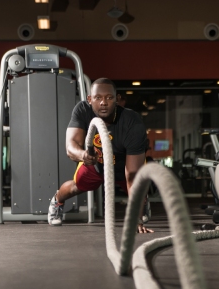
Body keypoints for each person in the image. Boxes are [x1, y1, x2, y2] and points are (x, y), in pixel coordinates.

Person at [48, 78, 153, 233]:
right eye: (98, 98)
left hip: (125, 164)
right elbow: (71, 147)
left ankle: (142, 203)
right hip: (95, 163)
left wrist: (135, 221)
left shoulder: (132, 123)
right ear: (90, 99)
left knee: (138, 185)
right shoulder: (83, 111)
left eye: (109, 98)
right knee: (75, 187)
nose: (103, 103)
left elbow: (132, 175)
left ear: (117, 100)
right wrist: (83, 155)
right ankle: (57, 201)